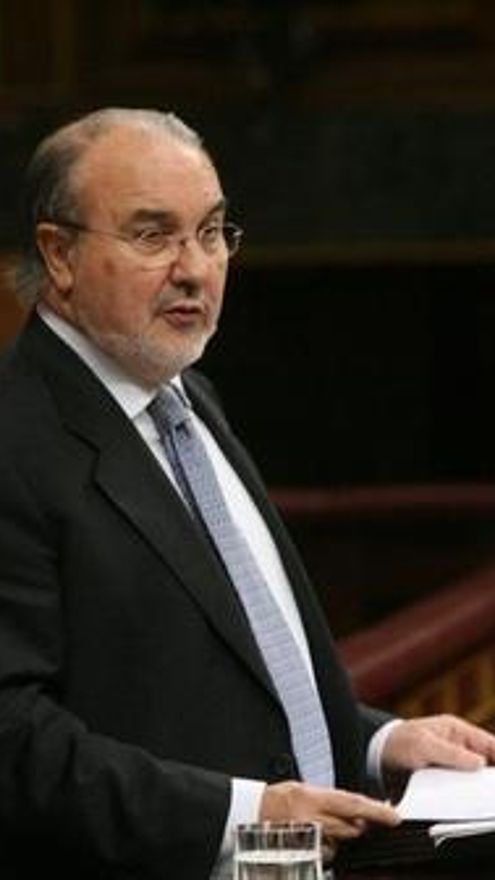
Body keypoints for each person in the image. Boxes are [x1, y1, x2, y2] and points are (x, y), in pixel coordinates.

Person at [0, 107, 494, 880]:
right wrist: (243, 816)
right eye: (153, 236)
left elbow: (223, 676)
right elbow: (13, 741)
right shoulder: (16, 438)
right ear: (59, 255)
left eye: (211, 232)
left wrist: (372, 740)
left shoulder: (188, 398)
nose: (195, 269)